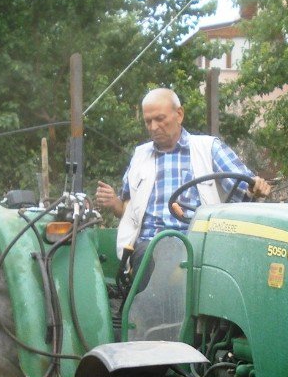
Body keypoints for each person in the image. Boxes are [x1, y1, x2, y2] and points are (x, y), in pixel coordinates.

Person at [94, 87, 271, 272]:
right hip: (149, 247)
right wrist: (114, 202)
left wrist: (255, 188)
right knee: (155, 256)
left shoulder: (208, 148)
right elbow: (127, 211)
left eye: (160, 119)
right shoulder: (140, 156)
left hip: (198, 246)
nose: (153, 127)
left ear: (179, 114)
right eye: (148, 121)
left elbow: (244, 191)